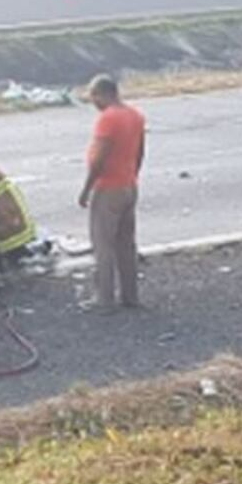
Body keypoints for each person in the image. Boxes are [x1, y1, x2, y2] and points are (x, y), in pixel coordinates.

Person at [78, 75, 146, 310]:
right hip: (128, 185)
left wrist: (86, 189)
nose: (93, 102)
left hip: (108, 187)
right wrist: (132, 176)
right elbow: (140, 152)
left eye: (94, 96)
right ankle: (130, 296)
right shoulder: (135, 115)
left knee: (103, 245)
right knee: (126, 244)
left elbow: (99, 159)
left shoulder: (108, 119)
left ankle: (104, 299)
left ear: (103, 94)